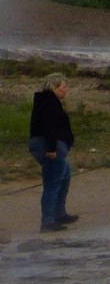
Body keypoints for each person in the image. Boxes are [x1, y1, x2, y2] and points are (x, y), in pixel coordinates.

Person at [27, 73, 77, 232]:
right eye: (64, 87)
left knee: (65, 176)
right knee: (52, 184)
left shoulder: (50, 102)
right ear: (54, 87)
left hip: (52, 144)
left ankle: (59, 214)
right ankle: (47, 221)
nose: (66, 90)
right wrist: (51, 149)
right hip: (48, 146)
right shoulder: (48, 103)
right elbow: (48, 126)